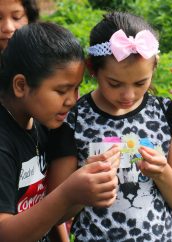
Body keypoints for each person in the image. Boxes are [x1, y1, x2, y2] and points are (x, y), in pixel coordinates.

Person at [47, 11, 172, 241]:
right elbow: (54, 213)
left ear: (154, 68)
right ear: (92, 69)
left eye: (140, 83)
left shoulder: (165, 114)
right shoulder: (74, 119)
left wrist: (163, 173)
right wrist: (84, 188)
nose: (128, 94)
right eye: (114, 83)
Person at [0, 22, 120, 242]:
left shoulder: (40, 124)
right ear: (20, 86)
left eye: (76, 88)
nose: (72, 100)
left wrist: (82, 190)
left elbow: (47, 213)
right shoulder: (4, 142)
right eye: (61, 90)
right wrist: (67, 193)